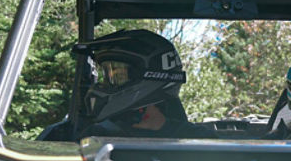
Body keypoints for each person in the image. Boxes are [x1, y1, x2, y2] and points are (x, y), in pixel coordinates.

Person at [44, 29, 205, 139]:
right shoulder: (95, 136)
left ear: (150, 75)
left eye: (117, 75)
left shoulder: (199, 141)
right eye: (106, 74)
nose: (103, 85)